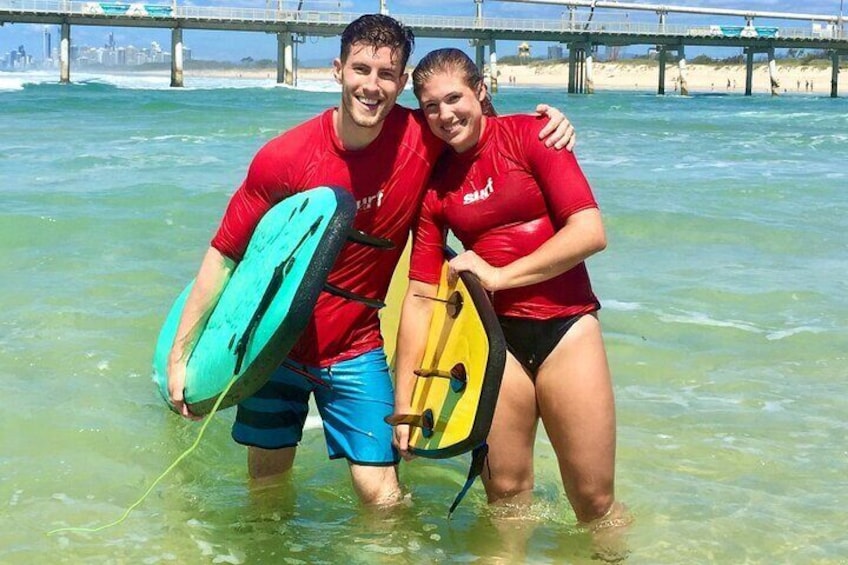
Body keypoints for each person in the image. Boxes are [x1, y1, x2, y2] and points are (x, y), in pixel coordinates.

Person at [166, 15, 576, 507]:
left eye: (386, 74)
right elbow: (227, 254)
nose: (372, 85)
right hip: (274, 346)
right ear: (338, 69)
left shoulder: (421, 140)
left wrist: (545, 127)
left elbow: (481, 141)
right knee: (266, 491)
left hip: (354, 348)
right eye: (361, 69)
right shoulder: (286, 157)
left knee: (382, 497)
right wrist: (182, 355)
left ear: (401, 82)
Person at [392, 48, 628, 531]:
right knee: (506, 496)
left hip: (567, 329)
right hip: (494, 345)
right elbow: (418, 296)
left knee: (594, 501)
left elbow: (589, 232)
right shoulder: (436, 189)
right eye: (431, 106)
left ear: (481, 90)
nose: (445, 114)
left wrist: (500, 276)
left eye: (454, 97)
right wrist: (405, 404)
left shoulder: (532, 136)